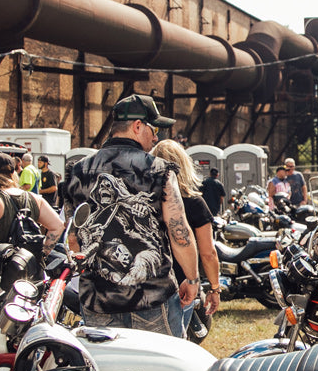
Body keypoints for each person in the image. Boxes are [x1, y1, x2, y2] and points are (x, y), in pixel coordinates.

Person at [60, 94, 199, 336]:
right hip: (153, 298)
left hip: (98, 299)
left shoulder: (78, 171)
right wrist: (192, 278)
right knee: (164, 369)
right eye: (153, 129)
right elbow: (180, 232)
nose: (156, 137)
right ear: (137, 126)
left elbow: (73, 238)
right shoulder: (159, 170)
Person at [153, 140, 222, 334]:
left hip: (148, 285)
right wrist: (215, 289)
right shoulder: (194, 203)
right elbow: (208, 253)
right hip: (182, 286)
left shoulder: (145, 201)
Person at [0, 152, 65, 257]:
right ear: (12, 174)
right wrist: (42, 254)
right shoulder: (34, 198)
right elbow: (58, 226)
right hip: (30, 267)